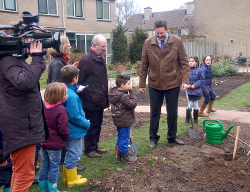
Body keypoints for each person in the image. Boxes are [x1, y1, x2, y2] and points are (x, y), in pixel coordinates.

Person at [0, 40, 49, 192]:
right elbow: (26, 82)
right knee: (25, 175)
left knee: (19, 172)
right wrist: (37, 57)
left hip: (22, 124)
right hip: (22, 127)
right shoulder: (8, 61)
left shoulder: (11, 61)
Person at [139, 20, 190, 149]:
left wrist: (185, 81)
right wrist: (141, 84)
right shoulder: (148, 43)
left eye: (161, 33)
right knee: (154, 112)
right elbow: (144, 65)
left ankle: (172, 137)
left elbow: (184, 63)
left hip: (172, 82)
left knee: (172, 112)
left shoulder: (177, 41)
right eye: (157, 33)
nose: (159, 35)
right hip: (155, 83)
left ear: (167, 30)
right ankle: (153, 138)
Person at [78, 34, 109, 158]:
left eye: (105, 46)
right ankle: (89, 149)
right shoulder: (86, 60)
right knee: (91, 124)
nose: (105, 49)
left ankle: (95, 146)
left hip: (99, 98)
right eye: (103, 46)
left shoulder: (100, 57)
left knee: (98, 123)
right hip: (91, 99)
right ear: (94, 45)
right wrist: (86, 95)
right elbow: (80, 80)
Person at [61, 65, 90, 187]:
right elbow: (74, 116)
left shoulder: (65, 90)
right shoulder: (72, 96)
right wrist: (86, 123)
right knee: (74, 153)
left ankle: (67, 177)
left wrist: (76, 88)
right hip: (74, 130)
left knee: (68, 153)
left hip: (68, 129)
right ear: (75, 78)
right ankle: (72, 180)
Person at [38, 82, 69, 192]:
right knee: (54, 166)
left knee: (45, 165)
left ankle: (43, 188)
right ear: (59, 96)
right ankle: (53, 189)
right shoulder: (61, 110)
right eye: (65, 94)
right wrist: (66, 137)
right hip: (55, 144)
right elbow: (63, 129)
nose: (67, 96)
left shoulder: (42, 107)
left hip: (43, 141)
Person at [108, 75, 137, 163]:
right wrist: (132, 92)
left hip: (119, 119)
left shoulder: (115, 93)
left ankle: (118, 154)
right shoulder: (123, 96)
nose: (130, 85)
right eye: (128, 84)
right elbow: (133, 103)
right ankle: (124, 156)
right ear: (122, 85)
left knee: (121, 136)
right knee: (125, 138)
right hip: (124, 120)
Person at [185, 56, 205, 124]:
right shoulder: (187, 70)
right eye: (190, 61)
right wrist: (187, 84)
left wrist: (195, 85)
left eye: (192, 61)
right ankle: (188, 119)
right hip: (188, 92)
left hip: (196, 91)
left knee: (195, 104)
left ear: (196, 62)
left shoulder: (199, 70)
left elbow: (202, 80)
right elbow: (184, 79)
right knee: (189, 105)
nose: (190, 62)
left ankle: (195, 119)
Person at [0, 128, 12, 192]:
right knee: (5, 178)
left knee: (11, 179)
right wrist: (1, 158)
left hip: (10, 156)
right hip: (3, 158)